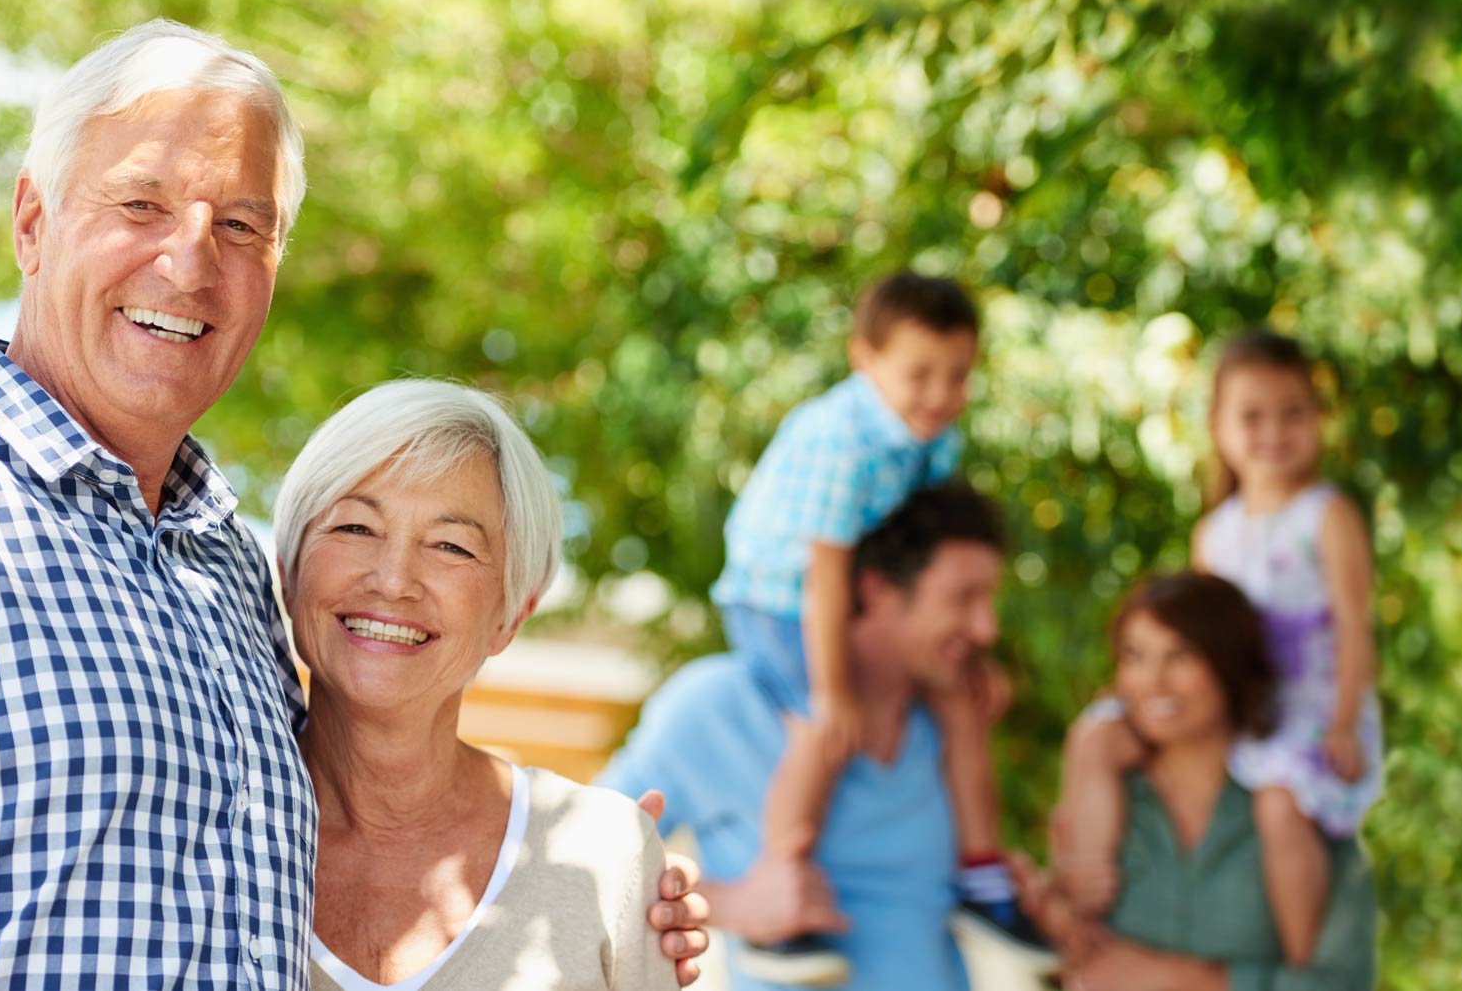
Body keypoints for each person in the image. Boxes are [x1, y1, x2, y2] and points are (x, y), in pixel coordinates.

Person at [0, 20, 704, 989]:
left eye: (241, 225)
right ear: (31, 221)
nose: (190, 262)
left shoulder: (229, 574)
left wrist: (598, 873)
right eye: (142, 202)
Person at [270, 380, 681, 990]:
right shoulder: (203, 829)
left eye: (450, 545)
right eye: (356, 527)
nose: (393, 579)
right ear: (288, 569)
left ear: (510, 614)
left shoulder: (606, 855)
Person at [706, 273, 1049, 982]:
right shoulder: (841, 439)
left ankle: (983, 878)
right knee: (818, 726)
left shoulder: (930, 438)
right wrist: (834, 690)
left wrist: (973, 658)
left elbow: (927, 558)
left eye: (957, 376)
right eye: (919, 372)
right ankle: (781, 893)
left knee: (958, 698)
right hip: (776, 597)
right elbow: (824, 574)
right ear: (865, 359)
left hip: (844, 597)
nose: (939, 393)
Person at [603, 483, 1018, 991]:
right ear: (876, 588)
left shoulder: (949, 722)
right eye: (963, 598)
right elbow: (584, 859)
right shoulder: (723, 703)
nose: (986, 628)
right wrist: (733, 905)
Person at [1054, 331, 1384, 965]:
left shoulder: (1327, 514)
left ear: (1319, 420)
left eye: (1293, 413)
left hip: (1311, 710)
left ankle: (1300, 961)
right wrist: (1141, 686)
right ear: (1218, 427)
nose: (1273, 433)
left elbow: (1353, 625)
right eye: (1251, 416)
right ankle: (1084, 888)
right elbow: (1202, 629)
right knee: (1096, 736)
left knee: (1280, 808)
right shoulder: (1217, 529)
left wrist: (1343, 722)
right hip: (1237, 697)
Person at [1028, 573, 1376, 990]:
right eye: (1134, 656)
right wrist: (1045, 911)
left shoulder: (1296, 810)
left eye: (1180, 656)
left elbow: (1343, 983)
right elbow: (1069, 960)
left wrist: (1181, 980)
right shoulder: (1104, 798)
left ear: (1228, 662)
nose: (1153, 681)